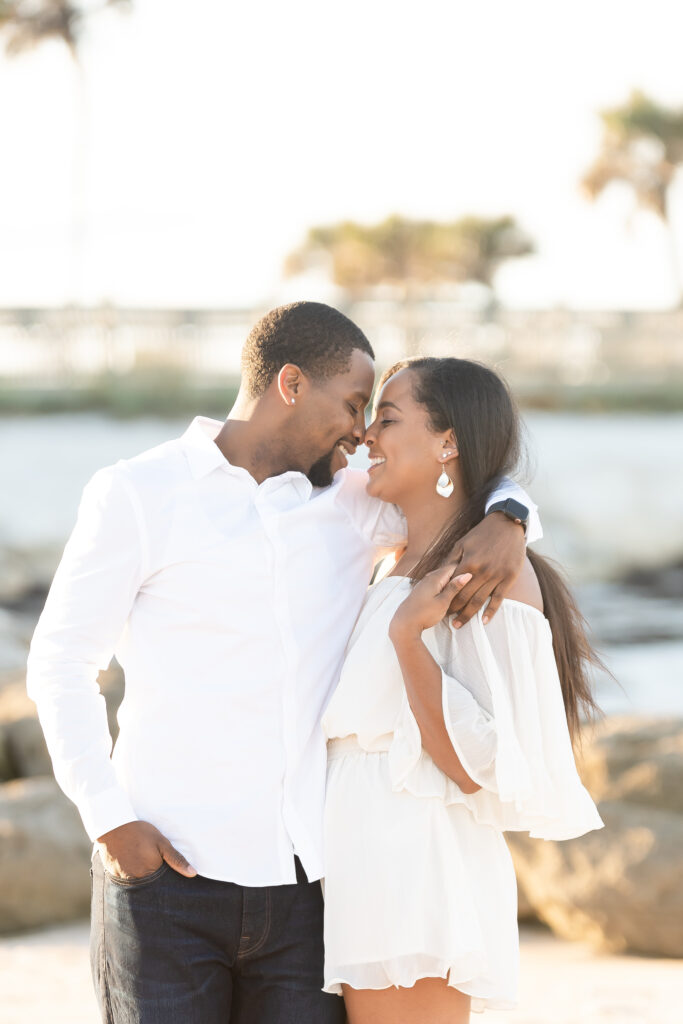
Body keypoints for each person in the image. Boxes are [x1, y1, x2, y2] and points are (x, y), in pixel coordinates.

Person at [27, 302, 538, 1024]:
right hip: (166, 879)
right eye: (354, 404)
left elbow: (453, 487)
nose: (362, 432)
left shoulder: (354, 506)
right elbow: (60, 662)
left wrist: (511, 515)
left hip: (308, 892)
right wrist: (109, 821)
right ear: (291, 384)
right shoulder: (138, 493)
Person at [321, 357, 604, 1024]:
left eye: (387, 419)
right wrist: (510, 510)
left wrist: (406, 637)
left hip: (416, 867)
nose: (367, 436)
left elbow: (475, 765)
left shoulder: (486, 577)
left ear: (447, 441)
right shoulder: (392, 554)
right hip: (362, 858)